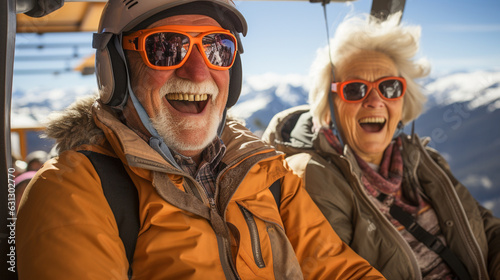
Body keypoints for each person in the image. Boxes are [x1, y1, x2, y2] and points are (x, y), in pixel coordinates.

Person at [16, 1, 385, 279]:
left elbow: (341, 270)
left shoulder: (267, 173)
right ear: (114, 70)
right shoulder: (73, 190)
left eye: (217, 49)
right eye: (165, 48)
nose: (197, 71)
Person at [263, 13, 500, 280]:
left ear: (403, 101)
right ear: (328, 106)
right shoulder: (311, 176)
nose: (375, 101)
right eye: (354, 89)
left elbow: (488, 231)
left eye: (389, 88)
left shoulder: (425, 161)